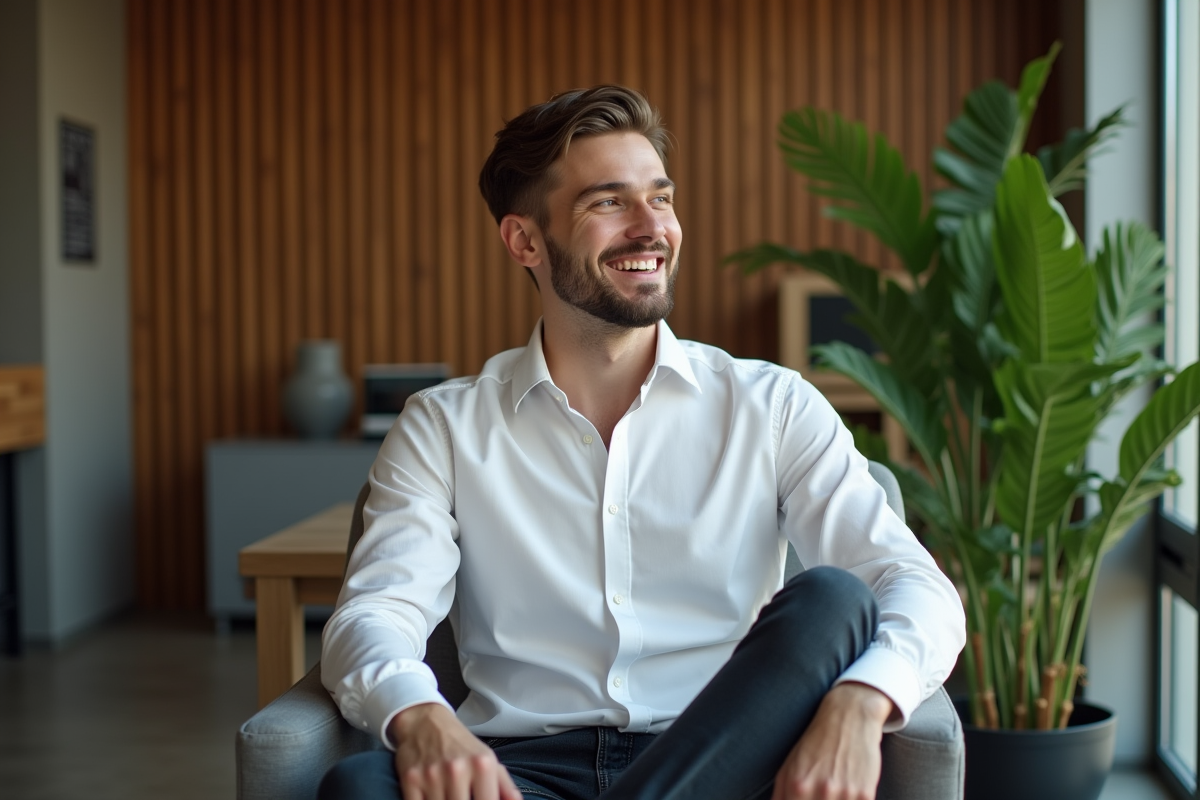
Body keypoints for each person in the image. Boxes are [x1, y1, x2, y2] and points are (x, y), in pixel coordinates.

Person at [318, 85, 965, 800]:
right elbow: (376, 614)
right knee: (361, 787)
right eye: (607, 202)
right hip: (521, 773)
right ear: (524, 240)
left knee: (833, 601)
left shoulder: (772, 406)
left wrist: (859, 701)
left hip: (722, 760)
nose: (650, 226)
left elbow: (916, 588)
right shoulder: (443, 427)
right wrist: (421, 718)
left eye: (660, 197)